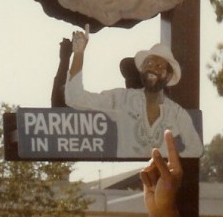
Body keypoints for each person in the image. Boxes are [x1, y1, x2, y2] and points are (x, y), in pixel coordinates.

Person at [64, 26, 203, 158]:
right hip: (129, 181)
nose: (152, 68)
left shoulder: (177, 113)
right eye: (148, 64)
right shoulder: (122, 99)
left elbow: (196, 149)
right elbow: (75, 98)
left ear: (168, 76)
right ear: (141, 69)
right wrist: (79, 53)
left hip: (161, 182)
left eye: (159, 65)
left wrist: (169, 165)